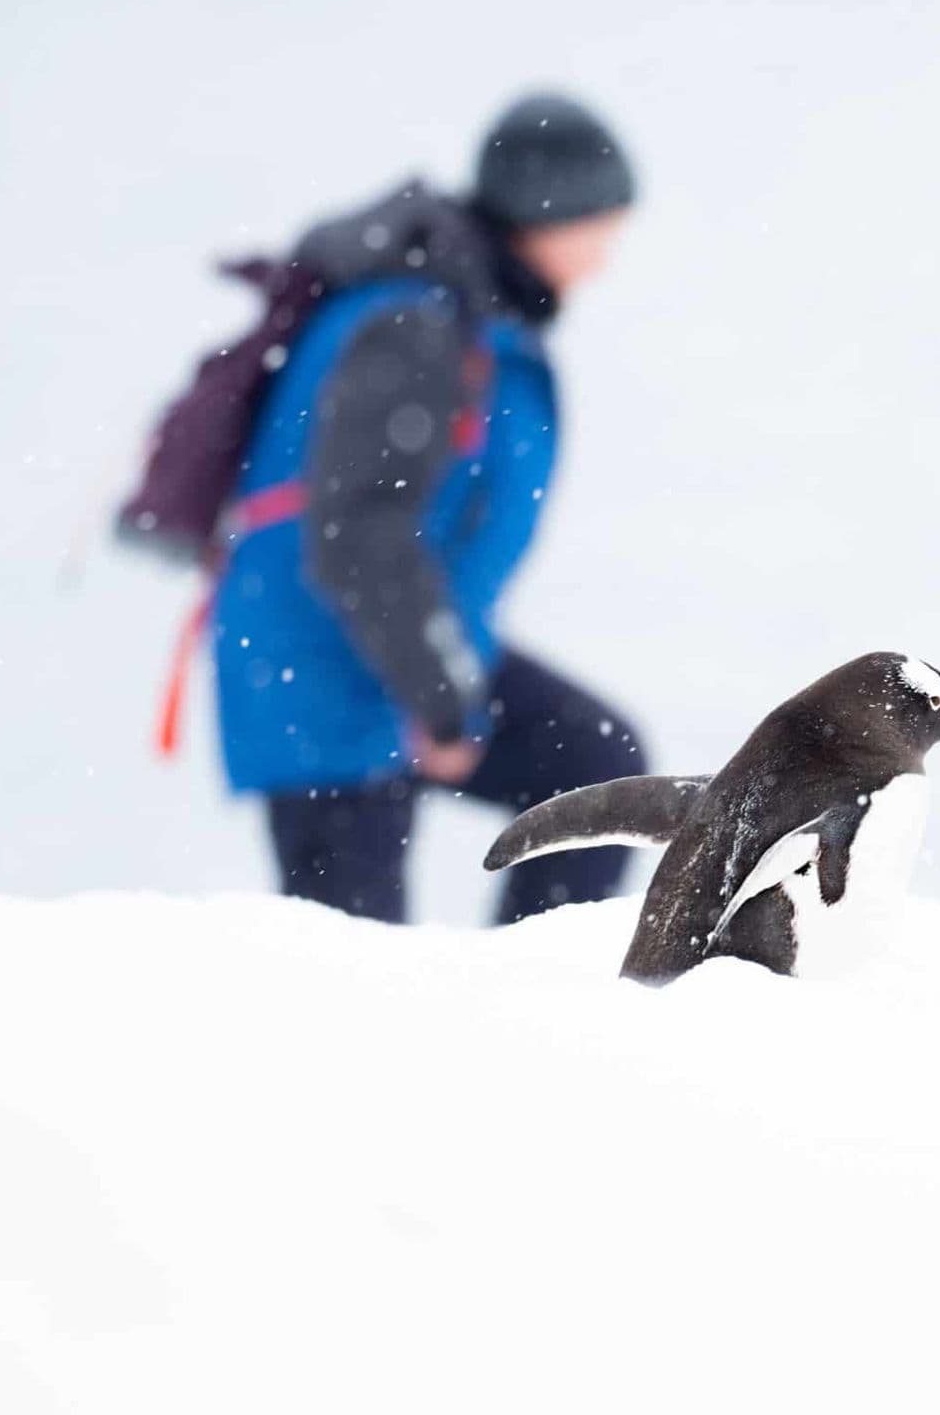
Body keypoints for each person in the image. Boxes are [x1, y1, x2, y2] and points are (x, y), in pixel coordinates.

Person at [209, 92, 647, 924]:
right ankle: (475, 1029)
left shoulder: (467, 316)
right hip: (328, 679)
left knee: (597, 769)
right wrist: (440, 698)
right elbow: (358, 534)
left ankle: (529, 1002)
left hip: (388, 654)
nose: (604, 256)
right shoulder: (417, 324)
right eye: (599, 226)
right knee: (353, 976)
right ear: (544, 209)